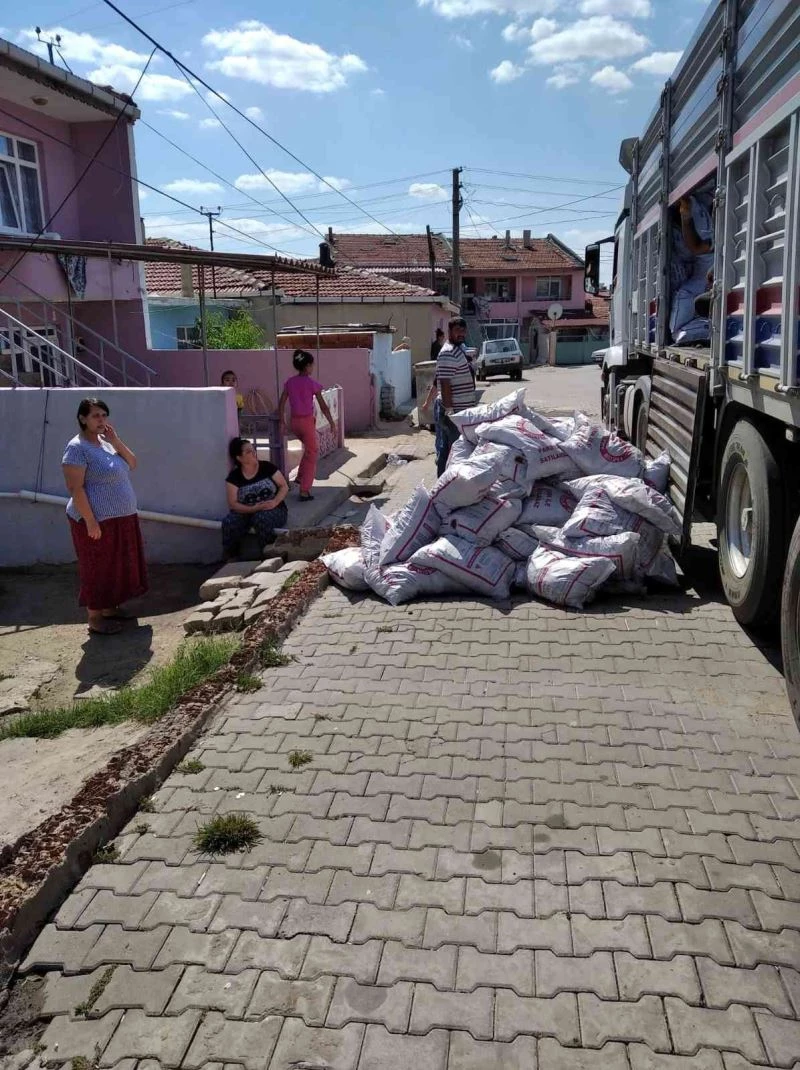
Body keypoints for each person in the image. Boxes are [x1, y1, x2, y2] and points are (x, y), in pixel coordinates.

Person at [61, 398, 147, 636]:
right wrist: (90, 521)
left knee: (117, 564)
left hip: (121, 516)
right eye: (96, 415)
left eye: (104, 415)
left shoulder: (106, 444)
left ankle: (110, 608)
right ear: (83, 418)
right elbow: (75, 488)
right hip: (95, 519)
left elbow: (132, 462)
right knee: (97, 566)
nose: (101, 420)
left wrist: (115, 440)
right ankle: (95, 617)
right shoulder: (76, 448)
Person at [278, 350, 336, 501]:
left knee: (309, 450)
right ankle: (304, 490)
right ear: (308, 366)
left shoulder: (290, 382)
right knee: (312, 454)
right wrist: (331, 423)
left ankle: (299, 477)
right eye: (312, 365)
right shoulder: (311, 384)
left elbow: (282, 402)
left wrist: (282, 421)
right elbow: (323, 406)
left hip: (294, 422)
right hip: (306, 421)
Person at [222, 437, 289, 559]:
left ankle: (270, 556)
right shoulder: (234, 477)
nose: (253, 453)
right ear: (239, 458)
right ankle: (232, 557)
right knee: (229, 522)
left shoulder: (267, 468)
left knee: (261, 519)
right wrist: (253, 508)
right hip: (246, 511)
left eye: (253, 449)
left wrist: (275, 502)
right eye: (248, 452)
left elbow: (283, 486)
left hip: (273, 509)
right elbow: (233, 504)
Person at [434, 316, 477, 475]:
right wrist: (450, 411)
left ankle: (444, 482)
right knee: (454, 450)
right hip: (453, 412)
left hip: (460, 411)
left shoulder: (458, 348)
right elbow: (445, 384)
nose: (461, 334)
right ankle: (446, 482)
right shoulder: (447, 353)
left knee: (450, 449)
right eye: (458, 331)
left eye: (463, 331)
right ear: (449, 331)